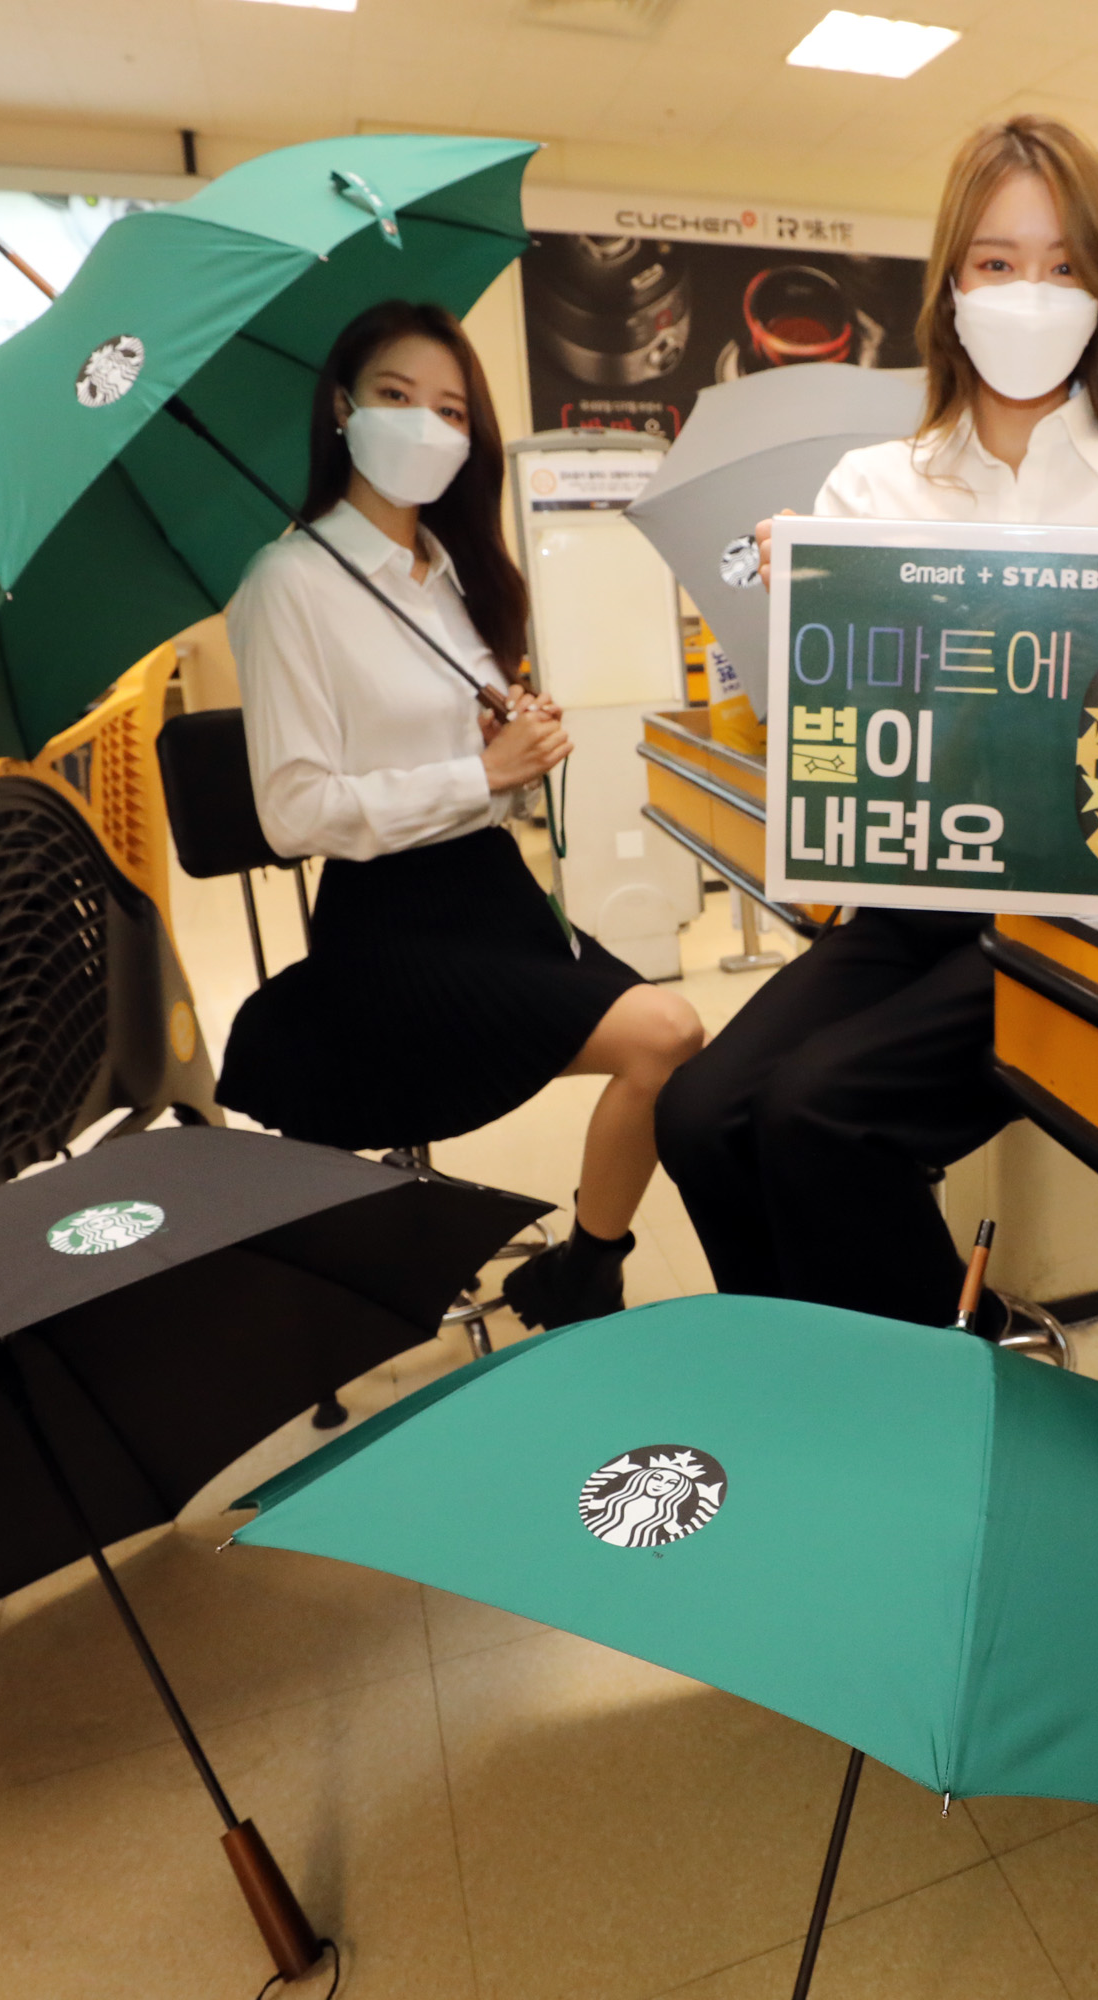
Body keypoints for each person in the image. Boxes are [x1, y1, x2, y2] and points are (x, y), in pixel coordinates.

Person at [655, 115, 1098, 1331]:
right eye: (997, 261)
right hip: (917, 892)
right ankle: (802, 1360)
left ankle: (941, 1371)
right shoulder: (872, 488)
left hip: (1091, 916)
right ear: (952, 288)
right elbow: (839, 741)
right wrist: (805, 605)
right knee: (700, 1111)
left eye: (1063, 265)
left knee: (818, 1110)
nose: (1030, 292)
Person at [217, 299, 703, 1329]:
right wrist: (479, 773)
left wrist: (514, 747)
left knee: (671, 1041)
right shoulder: (289, 582)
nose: (425, 426)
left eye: (450, 410)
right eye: (396, 396)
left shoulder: (451, 573)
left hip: (496, 894)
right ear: (341, 408)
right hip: (392, 924)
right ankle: (591, 1273)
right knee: (666, 1028)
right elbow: (294, 812)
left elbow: (476, 768)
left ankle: (585, 1265)